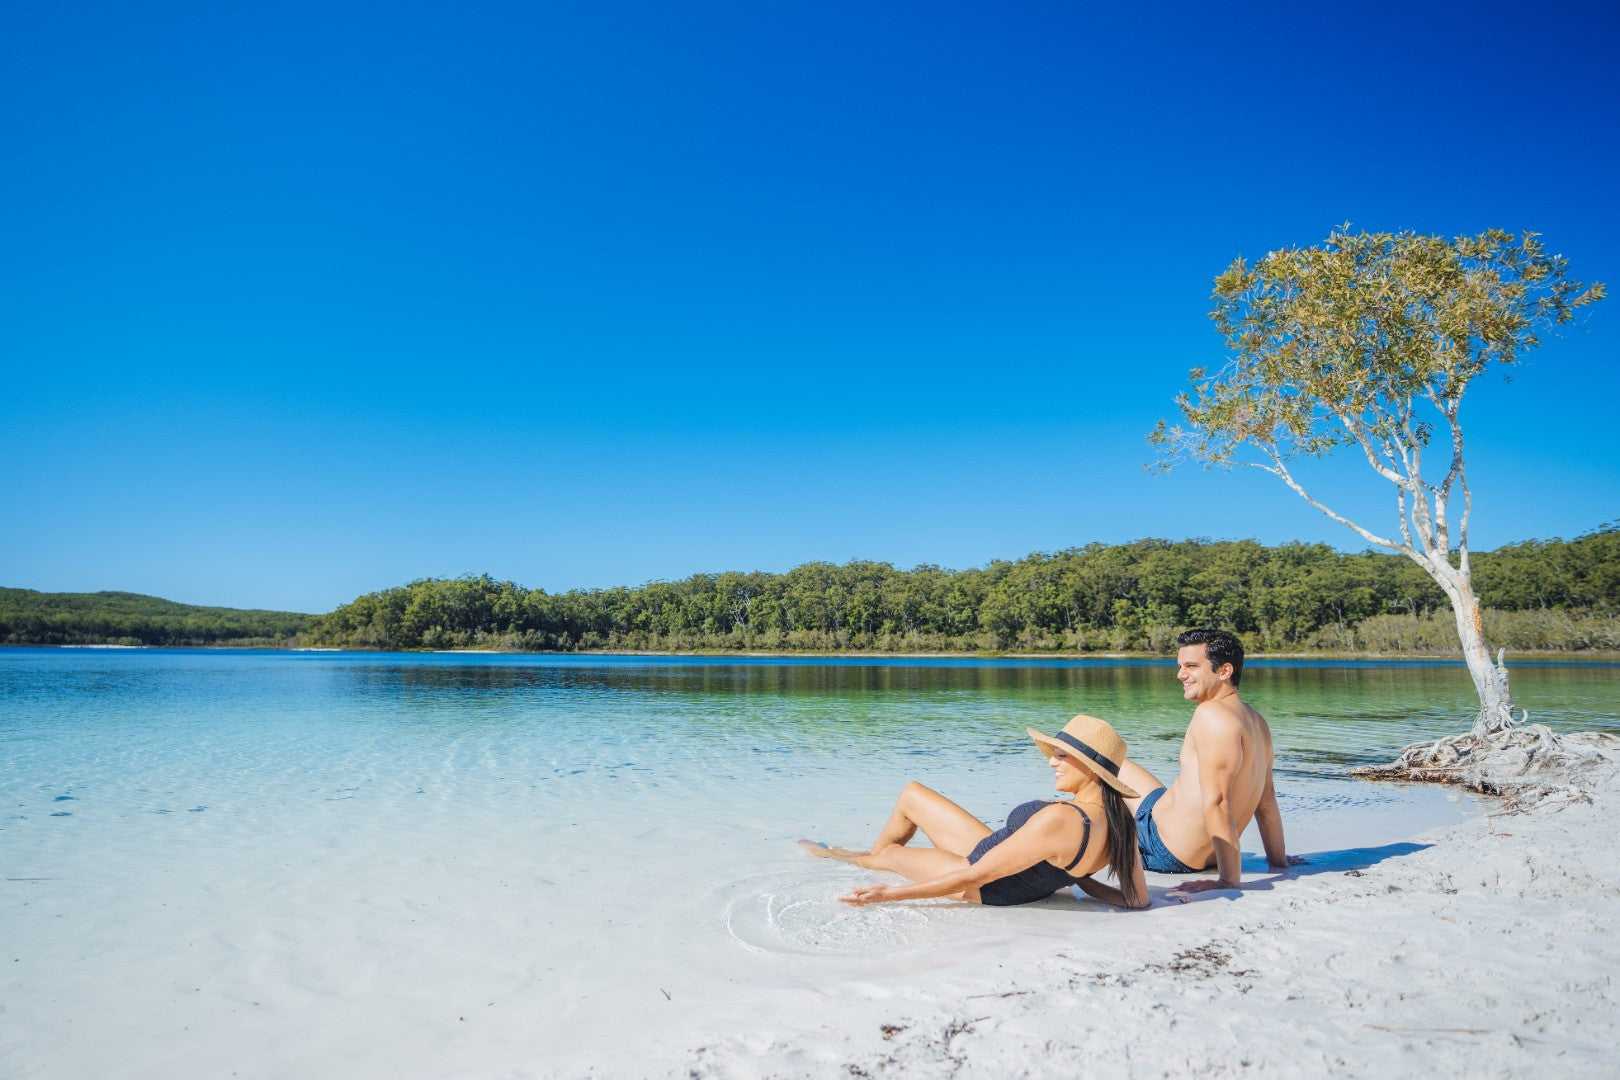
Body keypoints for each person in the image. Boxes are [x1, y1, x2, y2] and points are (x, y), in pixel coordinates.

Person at [800, 714, 1149, 909]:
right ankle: (862, 855)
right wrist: (1079, 882)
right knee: (912, 795)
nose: (1051, 761)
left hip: (984, 883)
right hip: (999, 859)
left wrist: (887, 895)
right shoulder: (1120, 821)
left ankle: (842, 856)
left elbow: (974, 877)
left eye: (1061, 755)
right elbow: (1137, 899)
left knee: (891, 854)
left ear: (1090, 768)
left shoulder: (1063, 819)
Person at [1117, 628, 1301, 893]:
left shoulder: (1211, 715)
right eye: (1180, 666)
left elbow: (1217, 801)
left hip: (1161, 850)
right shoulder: (1257, 721)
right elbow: (1266, 800)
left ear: (1225, 671)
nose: (1180, 674)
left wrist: (1228, 881)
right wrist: (1279, 861)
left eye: (1191, 666)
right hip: (1186, 842)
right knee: (1115, 764)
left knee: (1091, 761)